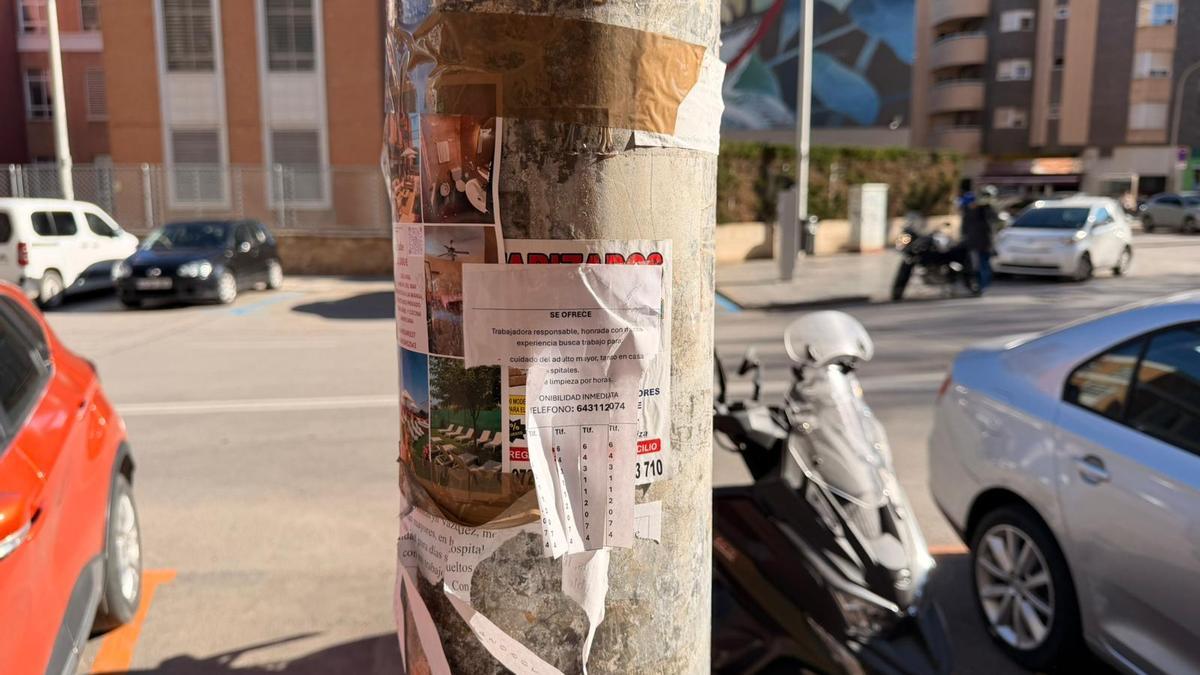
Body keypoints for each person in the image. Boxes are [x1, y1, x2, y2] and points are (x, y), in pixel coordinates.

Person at [958, 179, 997, 295]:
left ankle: (980, 286)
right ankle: (980, 286)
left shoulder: (981, 210)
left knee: (981, 264)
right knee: (981, 265)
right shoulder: (982, 210)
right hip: (980, 242)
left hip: (977, 242)